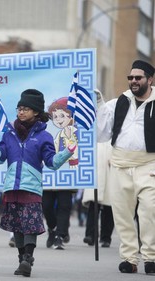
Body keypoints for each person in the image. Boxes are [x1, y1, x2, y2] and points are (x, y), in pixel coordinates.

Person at [0, 89, 76, 277]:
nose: (21, 112)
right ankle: (21, 259)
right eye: (19, 108)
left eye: (26, 109)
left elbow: (52, 163)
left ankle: (27, 259)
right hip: (12, 187)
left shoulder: (44, 136)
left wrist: (68, 151)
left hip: (31, 188)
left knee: (30, 225)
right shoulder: (9, 133)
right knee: (17, 226)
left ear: (36, 112)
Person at [96, 60, 155, 274]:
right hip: (120, 164)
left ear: (150, 79)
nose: (133, 81)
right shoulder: (118, 102)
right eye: (130, 78)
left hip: (149, 164)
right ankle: (130, 259)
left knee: (150, 211)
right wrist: (99, 106)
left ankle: (151, 257)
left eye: (138, 78)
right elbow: (101, 134)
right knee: (122, 214)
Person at [42, 97, 77, 250]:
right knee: (46, 205)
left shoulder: (76, 131)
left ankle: (59, 235)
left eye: (62, 115)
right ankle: (52, 228)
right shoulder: (51, 133)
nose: (59, 120)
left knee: (64, 205)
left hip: (67, 174)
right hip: (50, 173)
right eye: (55, 117)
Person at [82, 141, 114, 248]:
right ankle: (90, 235)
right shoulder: (93, 137)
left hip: (111, 175)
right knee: (93, 207)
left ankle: (106, 238)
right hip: (95, 176)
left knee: (108, 209)